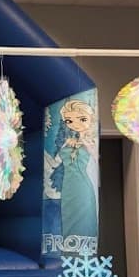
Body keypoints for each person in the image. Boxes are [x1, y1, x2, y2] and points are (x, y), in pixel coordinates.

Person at [44, 99, 99, 243]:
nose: (75, 124)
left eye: (82, 119)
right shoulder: (67, 143)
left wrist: (87, 145)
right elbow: (55, 161)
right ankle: (69, 245)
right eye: (69, 121)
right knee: (68, 216)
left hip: (82, 185)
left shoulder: (90, 144)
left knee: (83, 219)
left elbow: (95, 163)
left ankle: (81, 248)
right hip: (68, 186)